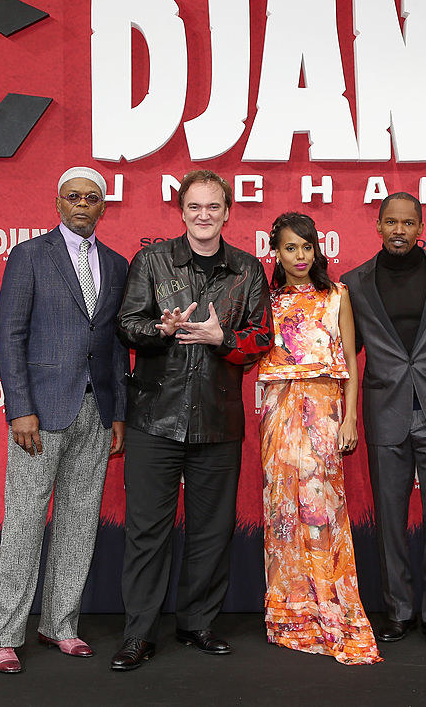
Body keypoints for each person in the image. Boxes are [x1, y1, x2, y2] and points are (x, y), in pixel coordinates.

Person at [111, 169, 272, 671]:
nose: (204, 216)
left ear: (227, 212)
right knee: (146, 531)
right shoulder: (152, 261)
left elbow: (263, 339)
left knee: (211, 531)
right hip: (154, 419)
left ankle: (197, 623)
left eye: (213, 207)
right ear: (181, 212)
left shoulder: (248, 270)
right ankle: (138, 633)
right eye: (194, 207)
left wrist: (221, 339)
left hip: (219, 423)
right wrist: (161, 328)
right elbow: (127, 326)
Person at [0, 166, 128, 674]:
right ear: (58, 203)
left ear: (104, 207)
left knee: (79, 522)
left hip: (96, 409)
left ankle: (60, 624)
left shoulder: (116, 263)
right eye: (74, 197)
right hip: (40, 411)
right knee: (24, 522)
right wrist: (19, 407)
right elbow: (10, 336)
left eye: (92, 198)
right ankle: (2, 633)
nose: (82, 205)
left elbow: (112, 348)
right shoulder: (29, 256)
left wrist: (118, 414)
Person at [340, 193, 426, 649]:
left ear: (420, 227)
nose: (399, 230)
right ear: (377, 225)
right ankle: (399, 610)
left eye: (408, 223)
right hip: (384, 409)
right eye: (390, 222)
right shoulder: (352, 282)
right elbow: (345, 351)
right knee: (390, 518)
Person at [257, 212, 381, 666]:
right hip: (277, 408)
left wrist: (349, 419)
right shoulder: (266, 299)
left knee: (321, 508)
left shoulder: (337, 295)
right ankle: (290, 615)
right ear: (277, 251)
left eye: (307, 247)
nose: (300, 256)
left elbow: (350, 359)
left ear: (317, 249)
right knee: (282, 510)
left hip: (325, 410)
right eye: (291, 248)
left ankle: (331, 606)